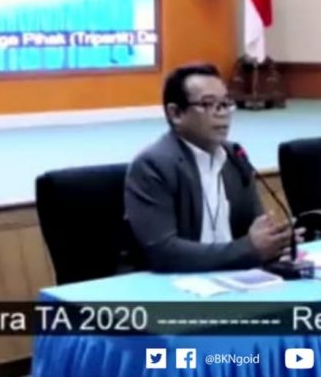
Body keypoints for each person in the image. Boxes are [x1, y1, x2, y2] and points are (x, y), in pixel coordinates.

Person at [124, 63, 295, 272]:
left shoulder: (235, 156)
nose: (221, 113)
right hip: (176, 282)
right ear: (176, 113)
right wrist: (248, 249)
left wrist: (276, 241)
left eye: (225, 103)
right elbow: (164, 252)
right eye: (208, 104)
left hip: (234, 276)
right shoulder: (153, 166)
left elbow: (254, 228)